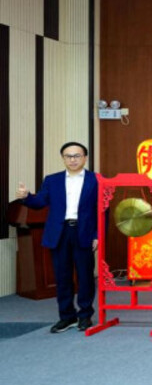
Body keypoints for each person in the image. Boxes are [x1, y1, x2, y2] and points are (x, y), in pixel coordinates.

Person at [16, 142, 99, 333]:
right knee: (62, 277)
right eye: (68, 156)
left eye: (77, 156)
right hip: (59, 233)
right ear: (63, 158)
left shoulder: (95, 180)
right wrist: (26, 196)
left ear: (85, 158)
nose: (72, 159)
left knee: (85, 276)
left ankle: (85, 315)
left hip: (84, 231)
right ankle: (67, 316)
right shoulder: (52, 180)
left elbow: (102, 211)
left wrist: (97, 235)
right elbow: (39, 202)